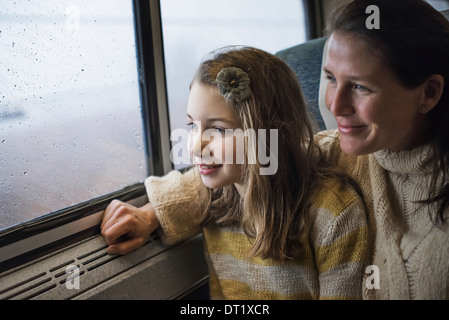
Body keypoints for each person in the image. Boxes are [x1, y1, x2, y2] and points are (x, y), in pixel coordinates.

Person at [101, 46, 369, 300]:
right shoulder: (215, 204)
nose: (195, 146)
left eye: (218, 129)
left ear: (266, 134)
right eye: (192, 125)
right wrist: (150, 212)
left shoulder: (333, 215)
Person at [317, 0, 449, 299]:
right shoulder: (330, 155)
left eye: (361, 87)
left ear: (428, 93)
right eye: (331, 79)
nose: (335, 105)